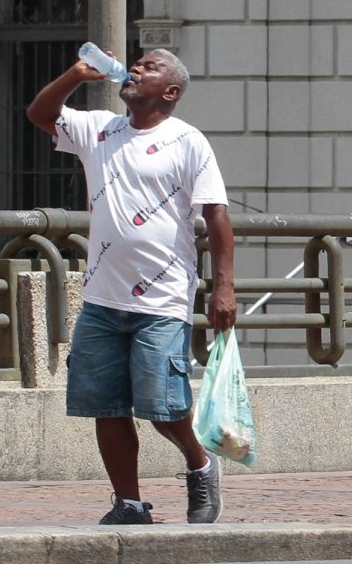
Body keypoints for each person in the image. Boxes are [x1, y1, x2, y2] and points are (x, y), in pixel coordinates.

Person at [26, 48, 236, 525]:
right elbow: (40, 113)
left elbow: (217, 217)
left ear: (171, 91)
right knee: (107, 405)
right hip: (102, 295)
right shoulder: (100, 128)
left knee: (163, 407)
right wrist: (76, 75)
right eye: (137, 61)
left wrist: (223, 288)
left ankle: (200, 465)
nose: (136, 67)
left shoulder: (187, 141)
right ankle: (130, 503)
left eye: (151, 66)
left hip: (163, 298)